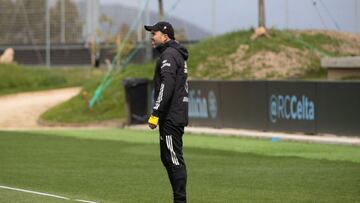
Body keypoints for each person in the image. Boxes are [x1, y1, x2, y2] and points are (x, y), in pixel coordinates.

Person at [144, 21, 189, 203]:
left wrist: (156, 112)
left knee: (174, 159)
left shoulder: (169, 55)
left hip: (171, 115)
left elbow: (167, 86)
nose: (151, 38)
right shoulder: (174, 54)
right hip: (173, 114)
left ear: (165, 36)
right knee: (167, 157)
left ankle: (180, 200)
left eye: (154, 34)